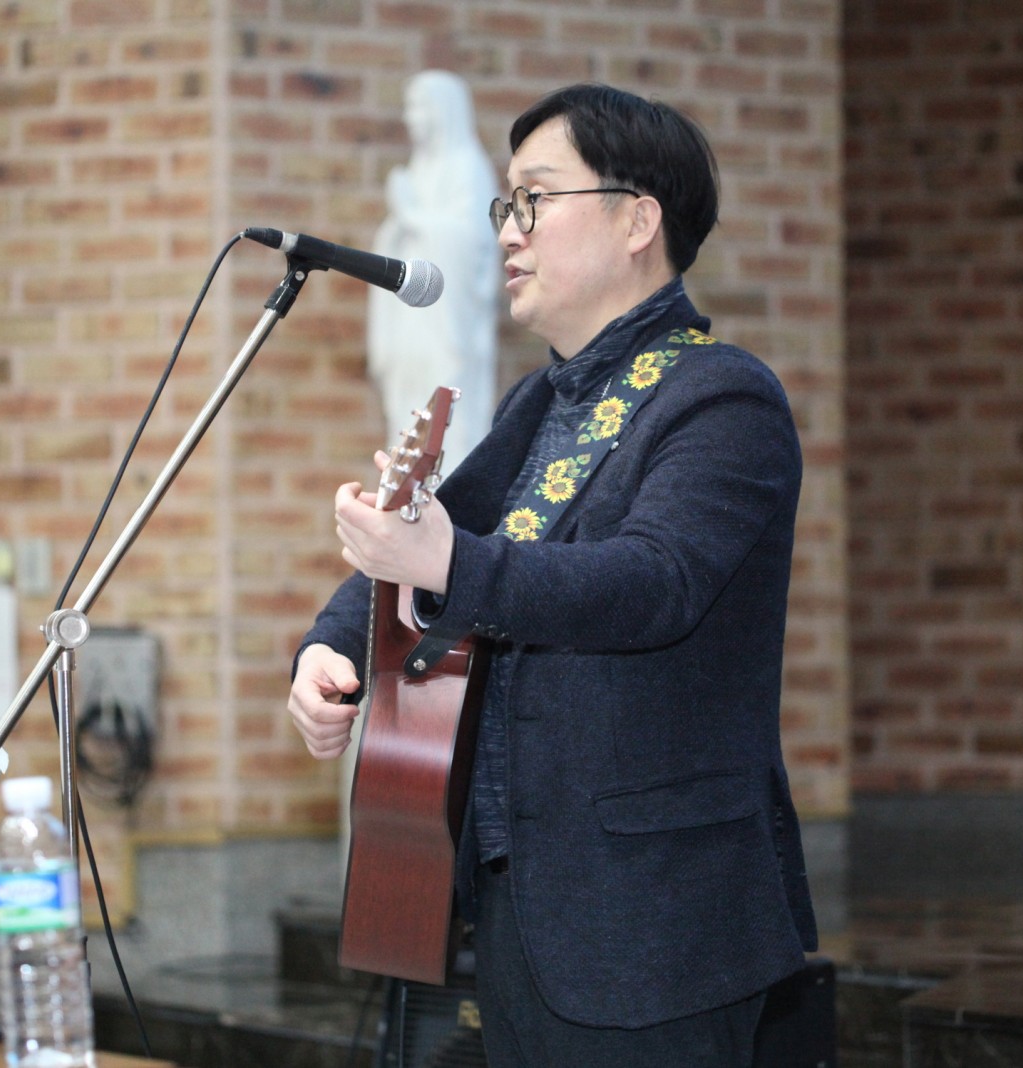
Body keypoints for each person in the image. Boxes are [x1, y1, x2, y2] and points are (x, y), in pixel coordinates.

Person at [286, 83, 817, 1067]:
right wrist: (327, 646)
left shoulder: (722, 397)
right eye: (506, 203)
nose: (507, 231)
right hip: (523, 910)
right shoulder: (541, 402)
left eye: (535, 198)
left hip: (657, 926)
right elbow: (437, 531)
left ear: (636, 221)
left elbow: (651, 584)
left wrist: (444, 560)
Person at [367, 70, 502, 476]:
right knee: (408, 408)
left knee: (446, 407)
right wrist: (399, 226)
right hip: (411, 321)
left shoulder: (467, 167)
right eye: (409, 108)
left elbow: (473, 242)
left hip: (446, 321)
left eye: (421, 108)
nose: (411, 118)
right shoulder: (417, 171)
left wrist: (411, 215)